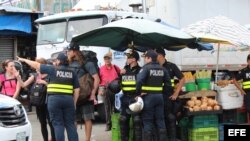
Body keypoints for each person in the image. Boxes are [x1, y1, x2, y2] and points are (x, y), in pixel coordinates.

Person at [17, 53, 80, 141]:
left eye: (56, 60)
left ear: (58, 61)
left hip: (54, 100)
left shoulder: (52, 69)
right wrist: (74, 103)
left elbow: (36, 65)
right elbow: (77, 90)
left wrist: (24, 60)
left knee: (58, 124)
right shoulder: (72, 72)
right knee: (70, 124)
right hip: (68, 99)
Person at [15, 57, 56, 141]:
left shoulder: (51, 74)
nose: (34, 66)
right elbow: (23, 85)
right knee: (43, 124)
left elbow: (55, 88)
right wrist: (18, 77)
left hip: (49, 103)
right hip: (39, 104)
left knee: (52, 124)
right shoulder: (35, 76)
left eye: (36, 64)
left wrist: (44, 82)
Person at [136, 50, 173, 141]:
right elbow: (168, 85)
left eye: (145, 57)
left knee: (147, 120)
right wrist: (162, 94)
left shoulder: (145, 68)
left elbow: (139, 81)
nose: (144, 60)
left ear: (149, 58)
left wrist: (138, 93)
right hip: (160, 98)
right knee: (160, 120)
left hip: (148, 98)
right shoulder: (163, 69)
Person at [66, 42, 99, 141]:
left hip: (86, 96)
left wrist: (93, 93)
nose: (67, 52)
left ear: (74, 51)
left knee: (87, 119)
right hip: (74, 96)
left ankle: (87, 140)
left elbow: (96, 78)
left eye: (69, 51)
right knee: (74, 120)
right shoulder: (69, 64)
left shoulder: (87, 63)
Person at [155, 47, 185, 141]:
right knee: (159, 120)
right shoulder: (153, 67)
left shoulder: (171, 66)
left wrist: (176, 93)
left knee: (170, 119)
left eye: (155, 55)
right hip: (156, 98)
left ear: (160, 56)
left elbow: (182, 79)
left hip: (168, 98)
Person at [119, 50, 142, 141]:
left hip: (135, 98)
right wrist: (120, 74)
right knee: (123, 120)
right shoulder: (124, 69)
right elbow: (119, 83)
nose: (127, 59)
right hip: (125, 98)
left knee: (137, 121)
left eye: (128, 57)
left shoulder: (140, 71)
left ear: (134, 59)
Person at [99, 51, 121, 131]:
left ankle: (116, 124)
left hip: (115, 90)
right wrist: (100, 90)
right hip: (106, 89)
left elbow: (120, 75)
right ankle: (108, 125)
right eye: (105, 59)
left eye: (108, 59)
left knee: (116, 107)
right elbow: (99, 80)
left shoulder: (115, 67)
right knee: (107, 108)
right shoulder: (101, 69)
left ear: (111, 59)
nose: (107, 60)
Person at [233, 54, 250, 122]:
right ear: (247, 61)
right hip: (248, 94)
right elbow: (234, 80)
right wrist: (241, 90)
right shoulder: (244, 71)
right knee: (249, 110)